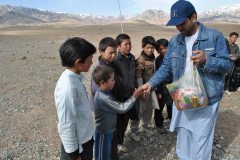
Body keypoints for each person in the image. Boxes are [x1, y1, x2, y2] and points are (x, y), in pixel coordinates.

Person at [140, 0, 232, 159]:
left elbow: (227, 65)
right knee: (184, 133)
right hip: (183, 95)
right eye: (176, 25)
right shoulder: (175, 41)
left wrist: (207, 60)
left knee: (202, 136)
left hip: (207, 97)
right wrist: (150, 83)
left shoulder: (214, 36)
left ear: (194, 17)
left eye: (182, 23)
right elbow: (166, 66)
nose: (179, 28)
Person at [54, 37, 96, 160]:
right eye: (90, 60)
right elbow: (66, 125)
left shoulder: (75, 77)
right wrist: (74, 155)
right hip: (78, 147)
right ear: (78, 63)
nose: (92, 63)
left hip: (85, 138)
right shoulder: (68, 87)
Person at [92, 65, 142, 160]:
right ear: (102, 83)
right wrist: (134, 97)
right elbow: (121, 108)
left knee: (113, 152)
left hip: (110, 130)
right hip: (104, 133)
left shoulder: (106, 92)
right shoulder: (103, 97)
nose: (114, 82)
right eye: (112, 80)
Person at [112, 33, 138, 153]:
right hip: (121, 95)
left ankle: (129, 134)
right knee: (120, 121)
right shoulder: (116, 60)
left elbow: (133, 75)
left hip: (131, 93)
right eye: (125, 44)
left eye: (130, 44)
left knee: (129, 117)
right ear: (118, 46)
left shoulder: (132, 58)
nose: (128, 46)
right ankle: (118, 143)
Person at [130, 36, 157, 139]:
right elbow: (139, 75)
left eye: (152, 48)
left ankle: (145, 127)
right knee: (139, 110)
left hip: (151, 88)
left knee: (149, 110)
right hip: (143, 89)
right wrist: (142, 90)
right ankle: (134, 131)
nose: (150, 50)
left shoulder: (152, 58)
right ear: (143, 47)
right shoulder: (141, 60)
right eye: (148, 47)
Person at [90, 37, 117, 110]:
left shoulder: (110, 63)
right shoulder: (98, 68)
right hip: (102, 107)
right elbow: (95, 89)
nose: (114, 55)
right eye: (111, 53)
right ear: (101, 52)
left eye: (115, 52)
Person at [154, 38, 173, 131]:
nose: (164, 50)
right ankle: (159, 125)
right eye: (161, 49)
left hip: (172, 87)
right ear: (157, 51)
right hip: (161, 88)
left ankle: (173, 123)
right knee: (159, 107)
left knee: (171, 106)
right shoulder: (158, 60)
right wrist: (159, 91)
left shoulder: (173, 58)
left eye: (166, 48)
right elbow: (158, 77)